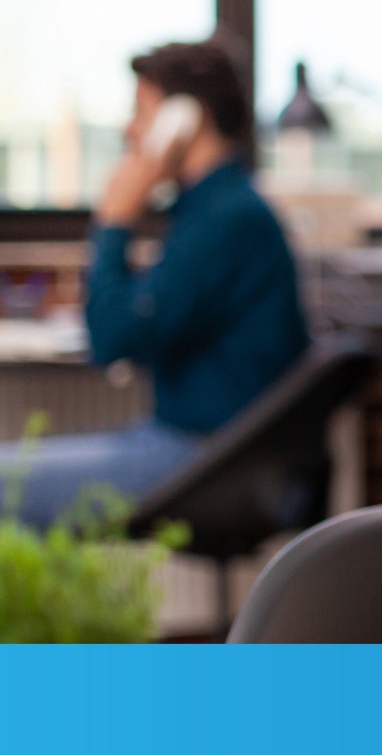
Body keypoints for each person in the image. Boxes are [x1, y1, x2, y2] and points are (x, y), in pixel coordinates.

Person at [0, 40, 311, 526]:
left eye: (141, 111)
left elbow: (110, 339)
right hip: (208, 447)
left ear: (185, 119)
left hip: (210, 458)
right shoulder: (216, 209)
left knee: (5, 484)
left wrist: (115, 221)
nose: (129, 130)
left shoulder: (227, 219)